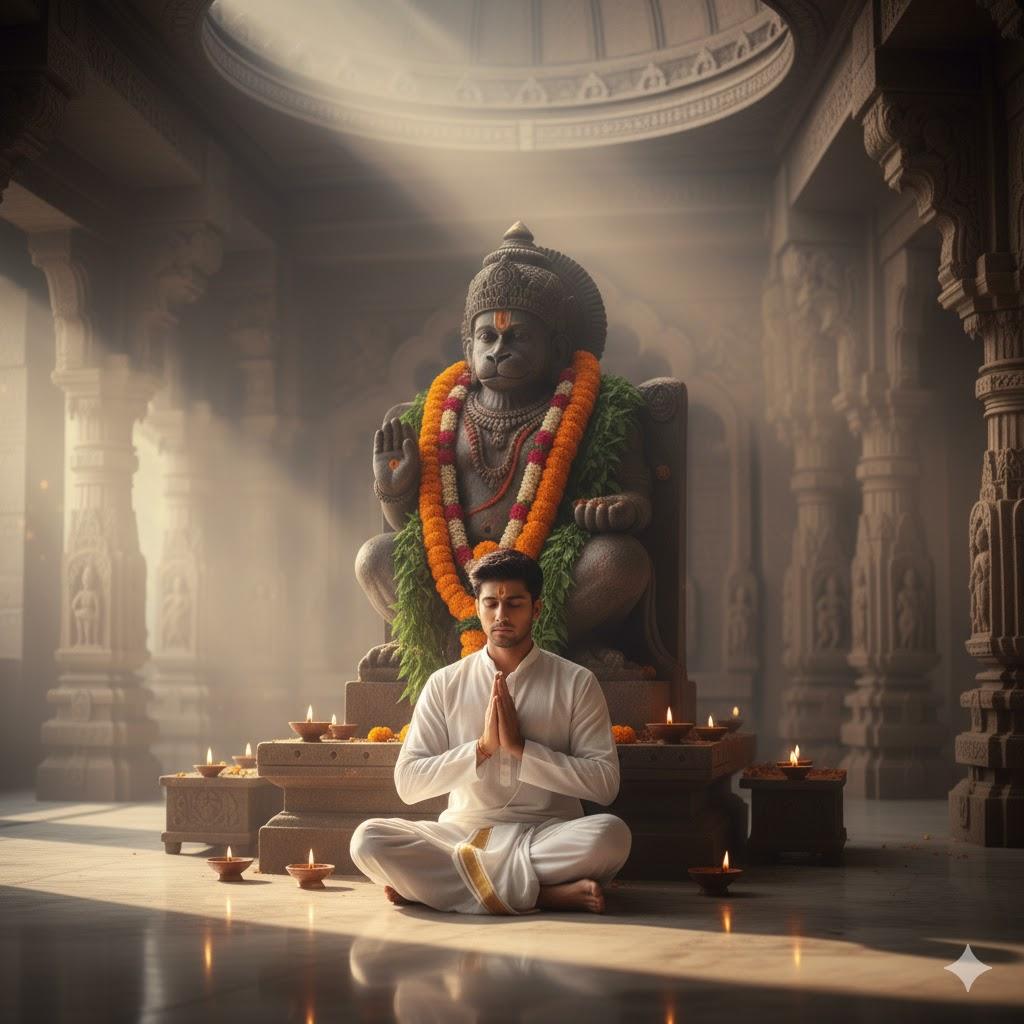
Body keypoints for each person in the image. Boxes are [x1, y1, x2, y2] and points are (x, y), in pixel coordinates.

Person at [350, 549, 631, 915]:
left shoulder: (576, 682)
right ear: (477, 608)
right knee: (367, 840)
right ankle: (543, 895)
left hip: (545, 833)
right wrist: (481, 749)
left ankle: (434, 888)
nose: (501, 615)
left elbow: (605, 784)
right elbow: (408, 784)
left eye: (514, 603)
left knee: (611, 836)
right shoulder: (445, 683)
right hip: (461, 833)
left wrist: (521, 750)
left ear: (536, 609)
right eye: (491, 604)